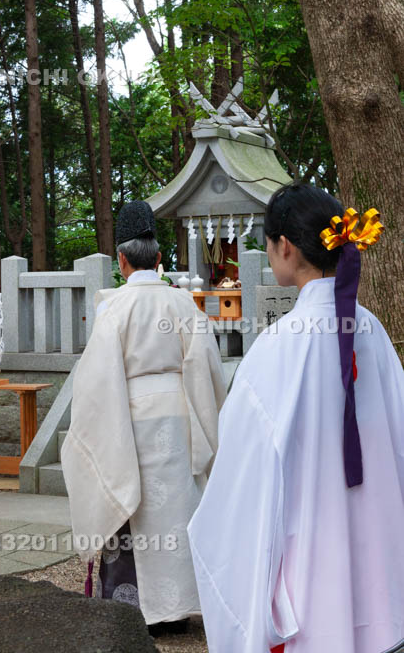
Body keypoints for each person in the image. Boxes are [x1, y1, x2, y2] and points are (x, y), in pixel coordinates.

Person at [188, 183, 404, 653]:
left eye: (268, 244)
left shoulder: (278, 346)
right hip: (383, 567)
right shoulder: (374, 332)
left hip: (310, 572)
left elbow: (243, 476)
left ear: (284, 246)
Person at [61, 200, 227, 633]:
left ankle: (132, 610)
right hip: (179, 414)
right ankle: (180, 608)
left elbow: (96, 380)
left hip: (128, 414)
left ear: (121, 261)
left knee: (129, 498)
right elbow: (207, 368)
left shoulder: (112, 308)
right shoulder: (184, 305)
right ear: (159, 258)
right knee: (178, 507)